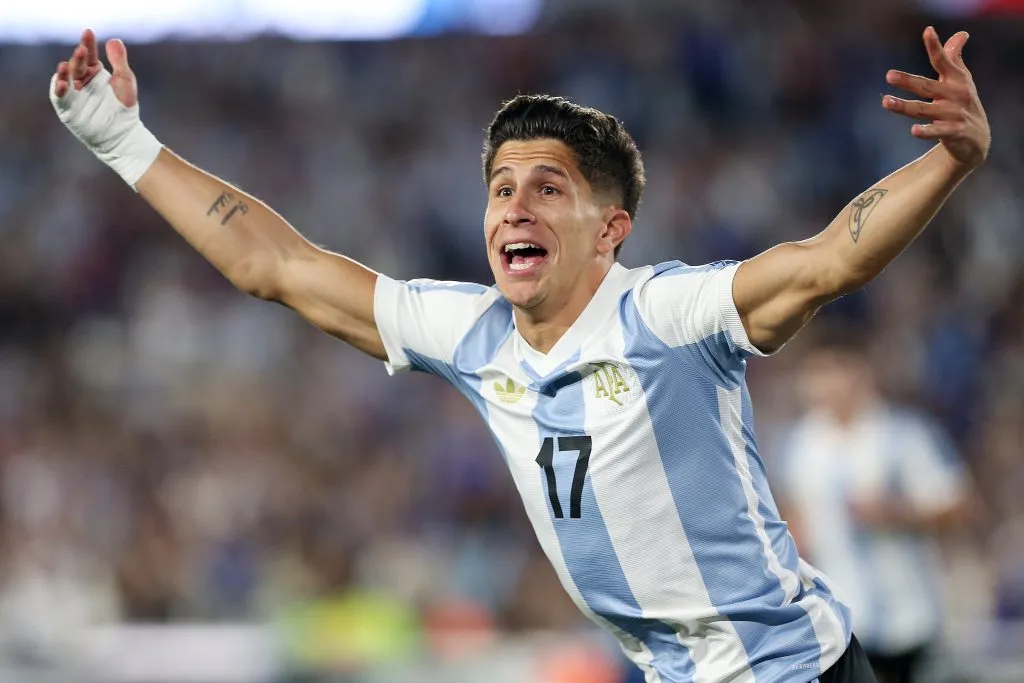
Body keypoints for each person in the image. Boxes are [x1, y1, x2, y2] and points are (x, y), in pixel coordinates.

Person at [48, 24, 989, 683]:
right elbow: (279, 266)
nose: (514, 208)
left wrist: (947, 159)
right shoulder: (473, 332)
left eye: (548, 188)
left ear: (611, 228)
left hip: (792, 672)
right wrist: (123, 140)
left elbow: (827, 260)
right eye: (501, 188)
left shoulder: (664, 312)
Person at [773, 329, 970, 683]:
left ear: (858, 374)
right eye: (814, 375)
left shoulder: (903, 434)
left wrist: (897, 513)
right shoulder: (800, 444)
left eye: (831, 373)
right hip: (841, 622)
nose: (821, 386)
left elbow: (958, 507)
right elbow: (796, 519)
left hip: (907, 618)